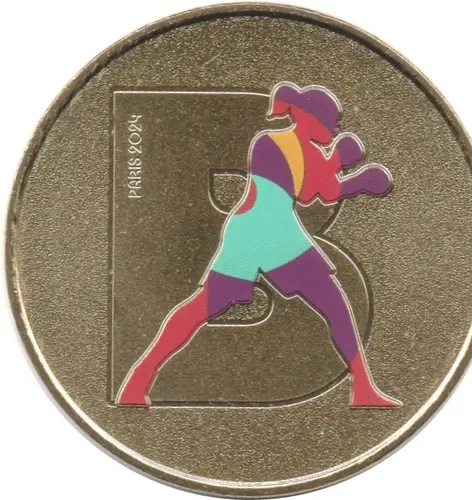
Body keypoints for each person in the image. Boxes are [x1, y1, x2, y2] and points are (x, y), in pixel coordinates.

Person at [117, 82, 400, 408]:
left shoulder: (308, 152)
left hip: (277, 233)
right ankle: (138, 379)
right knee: (201, 308)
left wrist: (360, 181)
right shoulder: (270, 142)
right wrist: (338, 159)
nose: (335, 129)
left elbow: (323, 192)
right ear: (308, 116)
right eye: (332, 122)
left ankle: (363, 388)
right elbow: (308, 186)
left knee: (335, 305)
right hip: (255, 232)